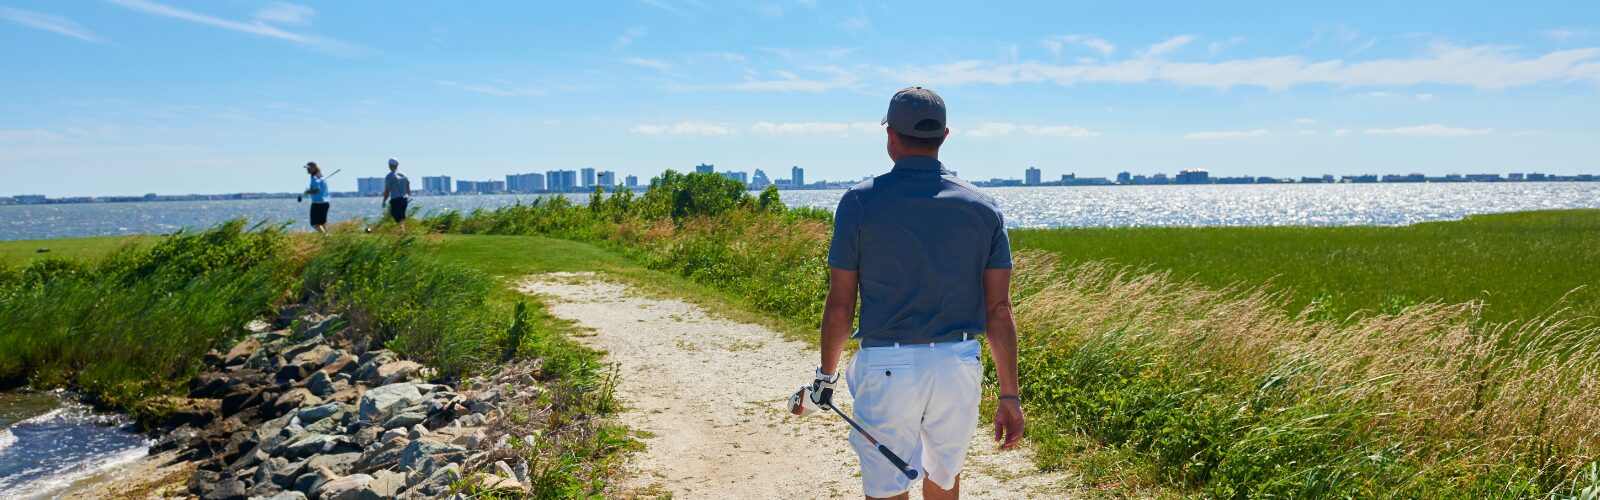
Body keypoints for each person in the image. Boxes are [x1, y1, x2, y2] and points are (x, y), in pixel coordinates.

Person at [797, 87, 1023, 500]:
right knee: (944, 479)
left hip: (888, 365)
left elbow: (841, 303)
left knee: (887, 487)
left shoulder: (859, 203)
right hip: (957, 364)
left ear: (891, 137)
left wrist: (825, 377)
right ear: (944, 135)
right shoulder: (982, 207)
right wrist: (1009, 394)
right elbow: (999, 309)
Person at [380, 158, 411, 224]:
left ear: (390, 165)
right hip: (404, 199)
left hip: (396, 200)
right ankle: (404, 230)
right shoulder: (404, 175)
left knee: (396, 215)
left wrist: (384, 201)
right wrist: (408, 196)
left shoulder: (390, 176)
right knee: (402, 216)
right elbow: (408, 186)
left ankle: (402, 231)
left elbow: (387, 190)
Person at [303, 162, 330, 233]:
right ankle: (329, 239)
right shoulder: (321, 176)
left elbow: (317, 190)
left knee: (315, 224)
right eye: (307, 168)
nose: (307, 170)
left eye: (309, 168)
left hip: (317, 204)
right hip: (325, 203)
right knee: (322, 223)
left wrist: (308, 192)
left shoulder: (314, 177)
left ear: (314, 168)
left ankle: (325, 237)